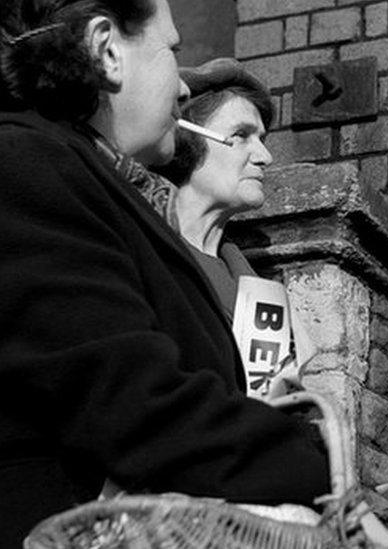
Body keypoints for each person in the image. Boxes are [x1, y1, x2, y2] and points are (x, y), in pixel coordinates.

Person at [0, 0, 330, 544]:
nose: (182, 88)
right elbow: (134, 406)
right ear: (107, 50)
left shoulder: (79, 173)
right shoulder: (31, 163)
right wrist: (320, 467)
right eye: (173, 51)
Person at [154, 57, 273, 319]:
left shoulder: (257, 290)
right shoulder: (142, 253)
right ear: (182, 139)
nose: (265, 156)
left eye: (261, 139)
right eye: (241, 135)